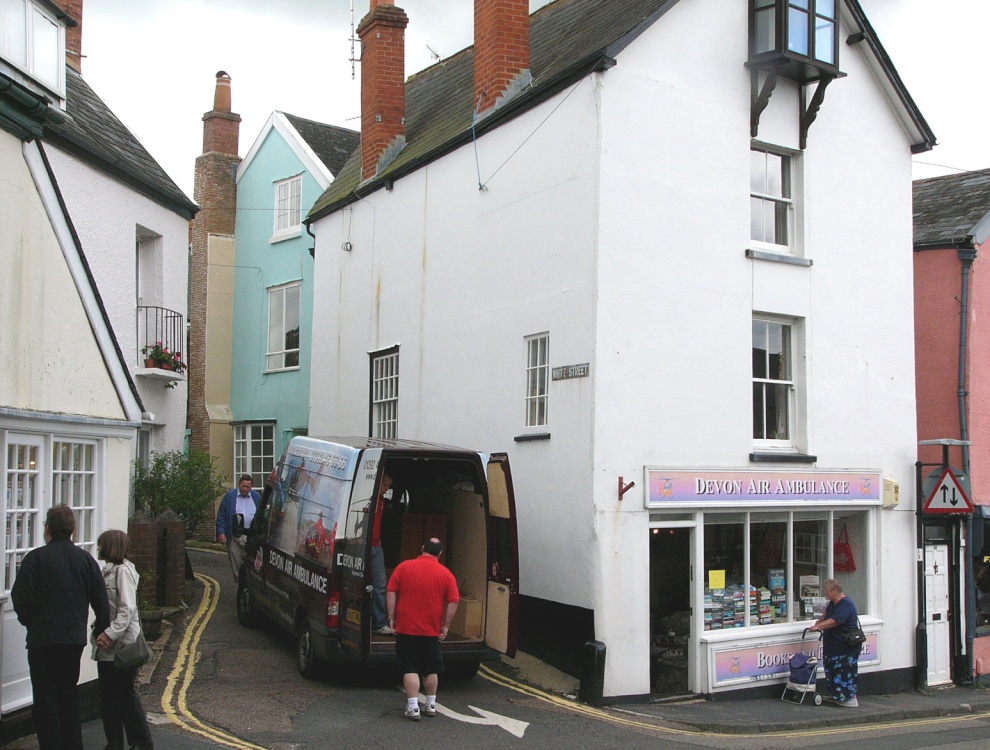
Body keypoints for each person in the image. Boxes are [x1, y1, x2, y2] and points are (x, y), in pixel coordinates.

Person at [10, 504, 110, 750]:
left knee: (45, 702)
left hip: (42, 641)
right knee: (68, 697)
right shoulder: (85, 560)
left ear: (48, 530)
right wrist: (100, 631)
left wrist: (30, 622)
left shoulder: (36, 559)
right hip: (72, 641)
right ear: (73, 530)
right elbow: (101, 601)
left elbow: (20, 598)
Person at [93, 530, 154, 750]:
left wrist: (109, 634)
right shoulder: (108, 572)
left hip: (122, 646)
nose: (98, 548)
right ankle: (114, 743)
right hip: (108, 646)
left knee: (125, 696)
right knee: (108, 699)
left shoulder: (123, 572)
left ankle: (142, 743)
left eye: (101, 545)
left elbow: (126, 610)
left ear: (110, 547)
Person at [386, 537, 460, 721]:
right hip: (431, 631)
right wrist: (446, 625)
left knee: (409, 667)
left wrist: (391, 617)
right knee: (430, 668)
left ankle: (413, 707)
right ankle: (431, 704)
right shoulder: (446, 574)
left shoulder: (404, 567)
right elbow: (453, 601)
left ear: (422, 549)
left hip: (406, 628)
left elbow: (391, 591)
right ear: (440, 554)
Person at [809, 578, 862, 707]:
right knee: (831, 669)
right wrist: (817, 624)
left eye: (827, 591)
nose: (825, 594)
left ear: (835, 590)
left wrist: (819, 627)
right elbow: (826, 615)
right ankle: (837, 695)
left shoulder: (846, 604)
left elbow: (835, 621)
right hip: (833, 646)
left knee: (844, 670)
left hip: (845, 647)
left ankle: (850, 698)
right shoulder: (833, 603)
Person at [217, 474, 261, 581]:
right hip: (234, 537)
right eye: (243, 486)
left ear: (251, 487)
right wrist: (221, 532)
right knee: (237, 565)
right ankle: (240, 587)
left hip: (251, 537)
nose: (245, 489)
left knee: (252, 565)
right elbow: (221, 515)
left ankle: (249, 587)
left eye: (248, 487)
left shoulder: (256, 497)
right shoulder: (230, 496)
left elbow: (262, 514)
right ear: (239, 485)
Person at [370, 472, 394, 634]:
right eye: (384, 485)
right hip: (365, 546)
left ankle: (379, 623)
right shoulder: (369, 499)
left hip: (376, 546)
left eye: (388, 486)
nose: (386, 489)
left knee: (380, 585)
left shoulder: (382, 501)